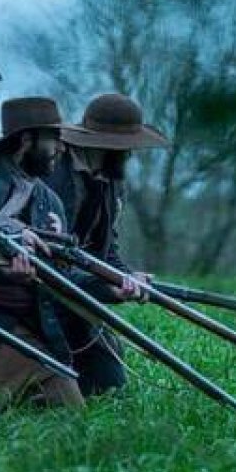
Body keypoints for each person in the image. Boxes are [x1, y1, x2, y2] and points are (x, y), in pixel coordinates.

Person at [0, 97, 85, 411]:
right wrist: (5, 233)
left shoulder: (50, 201)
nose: (60, 148)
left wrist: (115, 286)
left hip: (32, 328)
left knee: (73, 416)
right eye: (53, 139)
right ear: (26, 140)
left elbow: (61, 274)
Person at [45, 93, 169, 397]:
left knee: (108, 384)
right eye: (126, 147)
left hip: (79, 298)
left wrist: (125, 276)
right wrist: (105, 288)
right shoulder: (53, 173)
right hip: (42, 299)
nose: (130, 154)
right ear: (107, 144)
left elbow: (106, 249)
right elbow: (50, 260)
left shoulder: (112, 180)